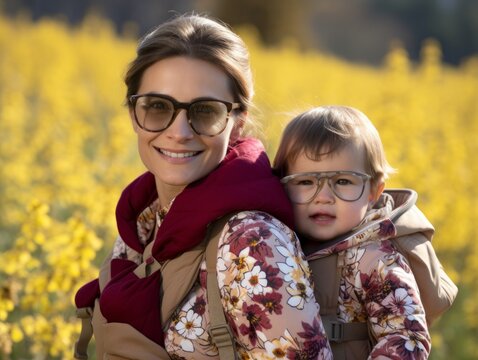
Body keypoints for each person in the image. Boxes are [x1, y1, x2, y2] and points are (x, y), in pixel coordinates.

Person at [74, 14, 333, 359]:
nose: (179, 132)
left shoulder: (250, 241)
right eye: (156, 107)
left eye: (205, 111)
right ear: (134, 113)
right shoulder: (144, 220)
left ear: (237, 123)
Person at [273, 105, 449, 359]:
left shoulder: (375, 259)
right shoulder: (278, 243)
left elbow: (407, 340)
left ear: (374, 191)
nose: (323, 197)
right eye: (305, 181)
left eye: (343, 181)